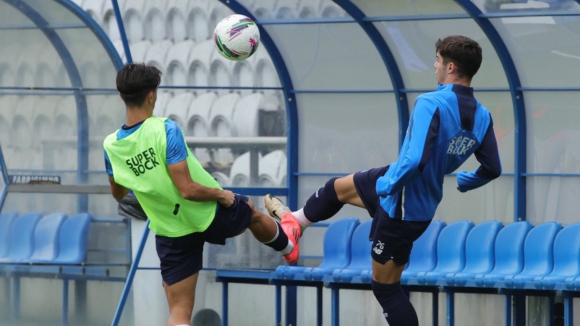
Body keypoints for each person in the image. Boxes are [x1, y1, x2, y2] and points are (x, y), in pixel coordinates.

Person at [265, 35, 502, 326]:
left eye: (438, 60)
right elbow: (492, 168)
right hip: (412, 193)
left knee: (386, 288)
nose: (434, 65)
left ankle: (296, 228)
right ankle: (294, 226)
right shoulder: (483, 115)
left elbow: (415, 160)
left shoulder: (432, 102)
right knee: (336, 188)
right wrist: (468, 180)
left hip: (402, 203)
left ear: (451, 67)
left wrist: (388, 185)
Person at [102, 63, 300, 326]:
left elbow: (118, 193)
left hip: (170, 230)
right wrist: (221, 194)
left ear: (120, 95)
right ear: (152, 94)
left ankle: (287, 243)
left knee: (179, 311)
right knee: (251, 212)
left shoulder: (111, 145)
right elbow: (188, 190)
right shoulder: (165, 129)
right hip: (207, 212)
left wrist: (145, 176)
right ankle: (288, 246)